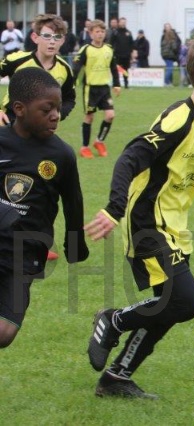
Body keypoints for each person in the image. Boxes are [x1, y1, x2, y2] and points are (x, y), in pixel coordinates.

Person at [84, 37, 194, 399]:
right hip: (146, 222)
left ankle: (116, 378)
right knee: (186, 302)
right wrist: (114, 209)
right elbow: (129, 158)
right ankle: (113, 319)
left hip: (175, 227)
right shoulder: (179, 119)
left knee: (168, 306)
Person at [0, 67, 89, 349]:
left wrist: (75, 245)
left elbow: (73, 203)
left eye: (58, 108)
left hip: (25, 253)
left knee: (5, 333)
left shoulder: (61, 155)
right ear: (19, 109)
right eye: (47, 109)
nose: (56, 115)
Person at [0, 14, 76, 125]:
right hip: (11, 121)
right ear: (35, 38)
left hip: (41, 127)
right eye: (47, 36)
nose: (52, 41)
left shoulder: (65, 69)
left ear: (62, 40)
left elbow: (69, 99)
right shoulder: (16, 60)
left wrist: (58, 114)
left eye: (57, 37)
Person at [73, 19, 121, 159]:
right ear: (91, 33)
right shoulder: (86, 49)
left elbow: (114, 68)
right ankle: (84, 147)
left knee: (110, 115)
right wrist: (72, 83)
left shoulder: (108, 49)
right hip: (90, 89)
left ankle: (99, 141)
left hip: (105, 89)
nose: (100, 34)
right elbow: (76, 68)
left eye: (102, 31)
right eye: (97, 31)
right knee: (89, 117)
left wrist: (117, 84)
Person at [110, 17, 134, 89]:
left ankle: (126, 84)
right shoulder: (115, 32)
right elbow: (111, 43)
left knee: (125, 70)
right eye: (122, 22)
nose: (123, 23)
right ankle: (116, 84)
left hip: (126, 55)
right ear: (119, 23)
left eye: (124, 22)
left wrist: (132, 54)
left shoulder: (128, 33)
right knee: (116, 70)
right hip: (117, 55)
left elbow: (131, 44)